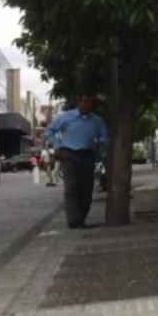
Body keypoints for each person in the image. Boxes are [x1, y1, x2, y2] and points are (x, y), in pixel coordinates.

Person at [46, 93, 110, 229]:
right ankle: (73, 220)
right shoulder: (66, 117)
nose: (87, 105)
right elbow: (50, 130)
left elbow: (105, 137)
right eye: (84, 102)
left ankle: (81, 217)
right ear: (79, 103)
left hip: (87, 155)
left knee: (86, 188)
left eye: (90, 103)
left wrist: (99, 141)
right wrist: (57, 146)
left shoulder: (96, 121)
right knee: (71, 187)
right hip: (69, 154)